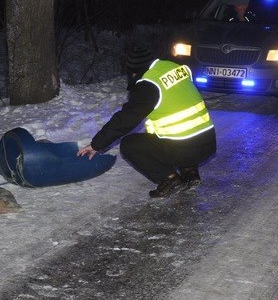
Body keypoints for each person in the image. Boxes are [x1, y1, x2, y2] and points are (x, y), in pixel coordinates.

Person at [77, 46, 217, 198]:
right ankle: (190, 173)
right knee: (179, 133)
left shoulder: (149, 85)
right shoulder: (174, 67)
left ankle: (170, 179)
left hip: (185, 149)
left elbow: (125, 120)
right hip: (208, 143)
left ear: (134, 71)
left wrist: (96, 144)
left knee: (130, 145)